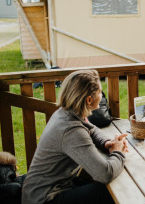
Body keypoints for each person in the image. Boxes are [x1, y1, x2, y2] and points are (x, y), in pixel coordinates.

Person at [22, 70, 128, 204]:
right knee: (109, 192)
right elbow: (104, 174)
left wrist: (106, 142)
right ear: (89, 99)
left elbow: (91, 128)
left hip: (43, 191)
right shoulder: (71, 130)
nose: (102, 95)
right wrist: (118, 152)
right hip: (45, 199)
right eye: (100, 92)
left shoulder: (67, 113)